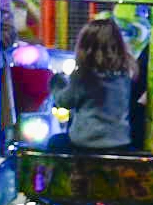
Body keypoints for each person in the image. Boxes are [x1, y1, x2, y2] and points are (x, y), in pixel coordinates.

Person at [51, 13, 134, 153]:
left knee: (54, 142)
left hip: (86, 143)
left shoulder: (83, 76)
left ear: (85, 47)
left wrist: (56, 82)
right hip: (120, 142)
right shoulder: (124, 74)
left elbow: (64, 102)